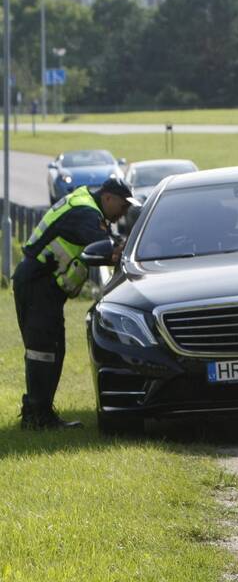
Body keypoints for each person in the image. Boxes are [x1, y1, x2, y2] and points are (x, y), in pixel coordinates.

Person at [15, 178, 139, 430]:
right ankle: (36, 417)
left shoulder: (86, 206)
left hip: (44, 286)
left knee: (53, 349)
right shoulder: (85, 213)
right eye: (123, 205)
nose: (124, 212)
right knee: (43, 351)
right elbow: (110, 250)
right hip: (37, 285)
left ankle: (41, 413)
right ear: (108, 198)